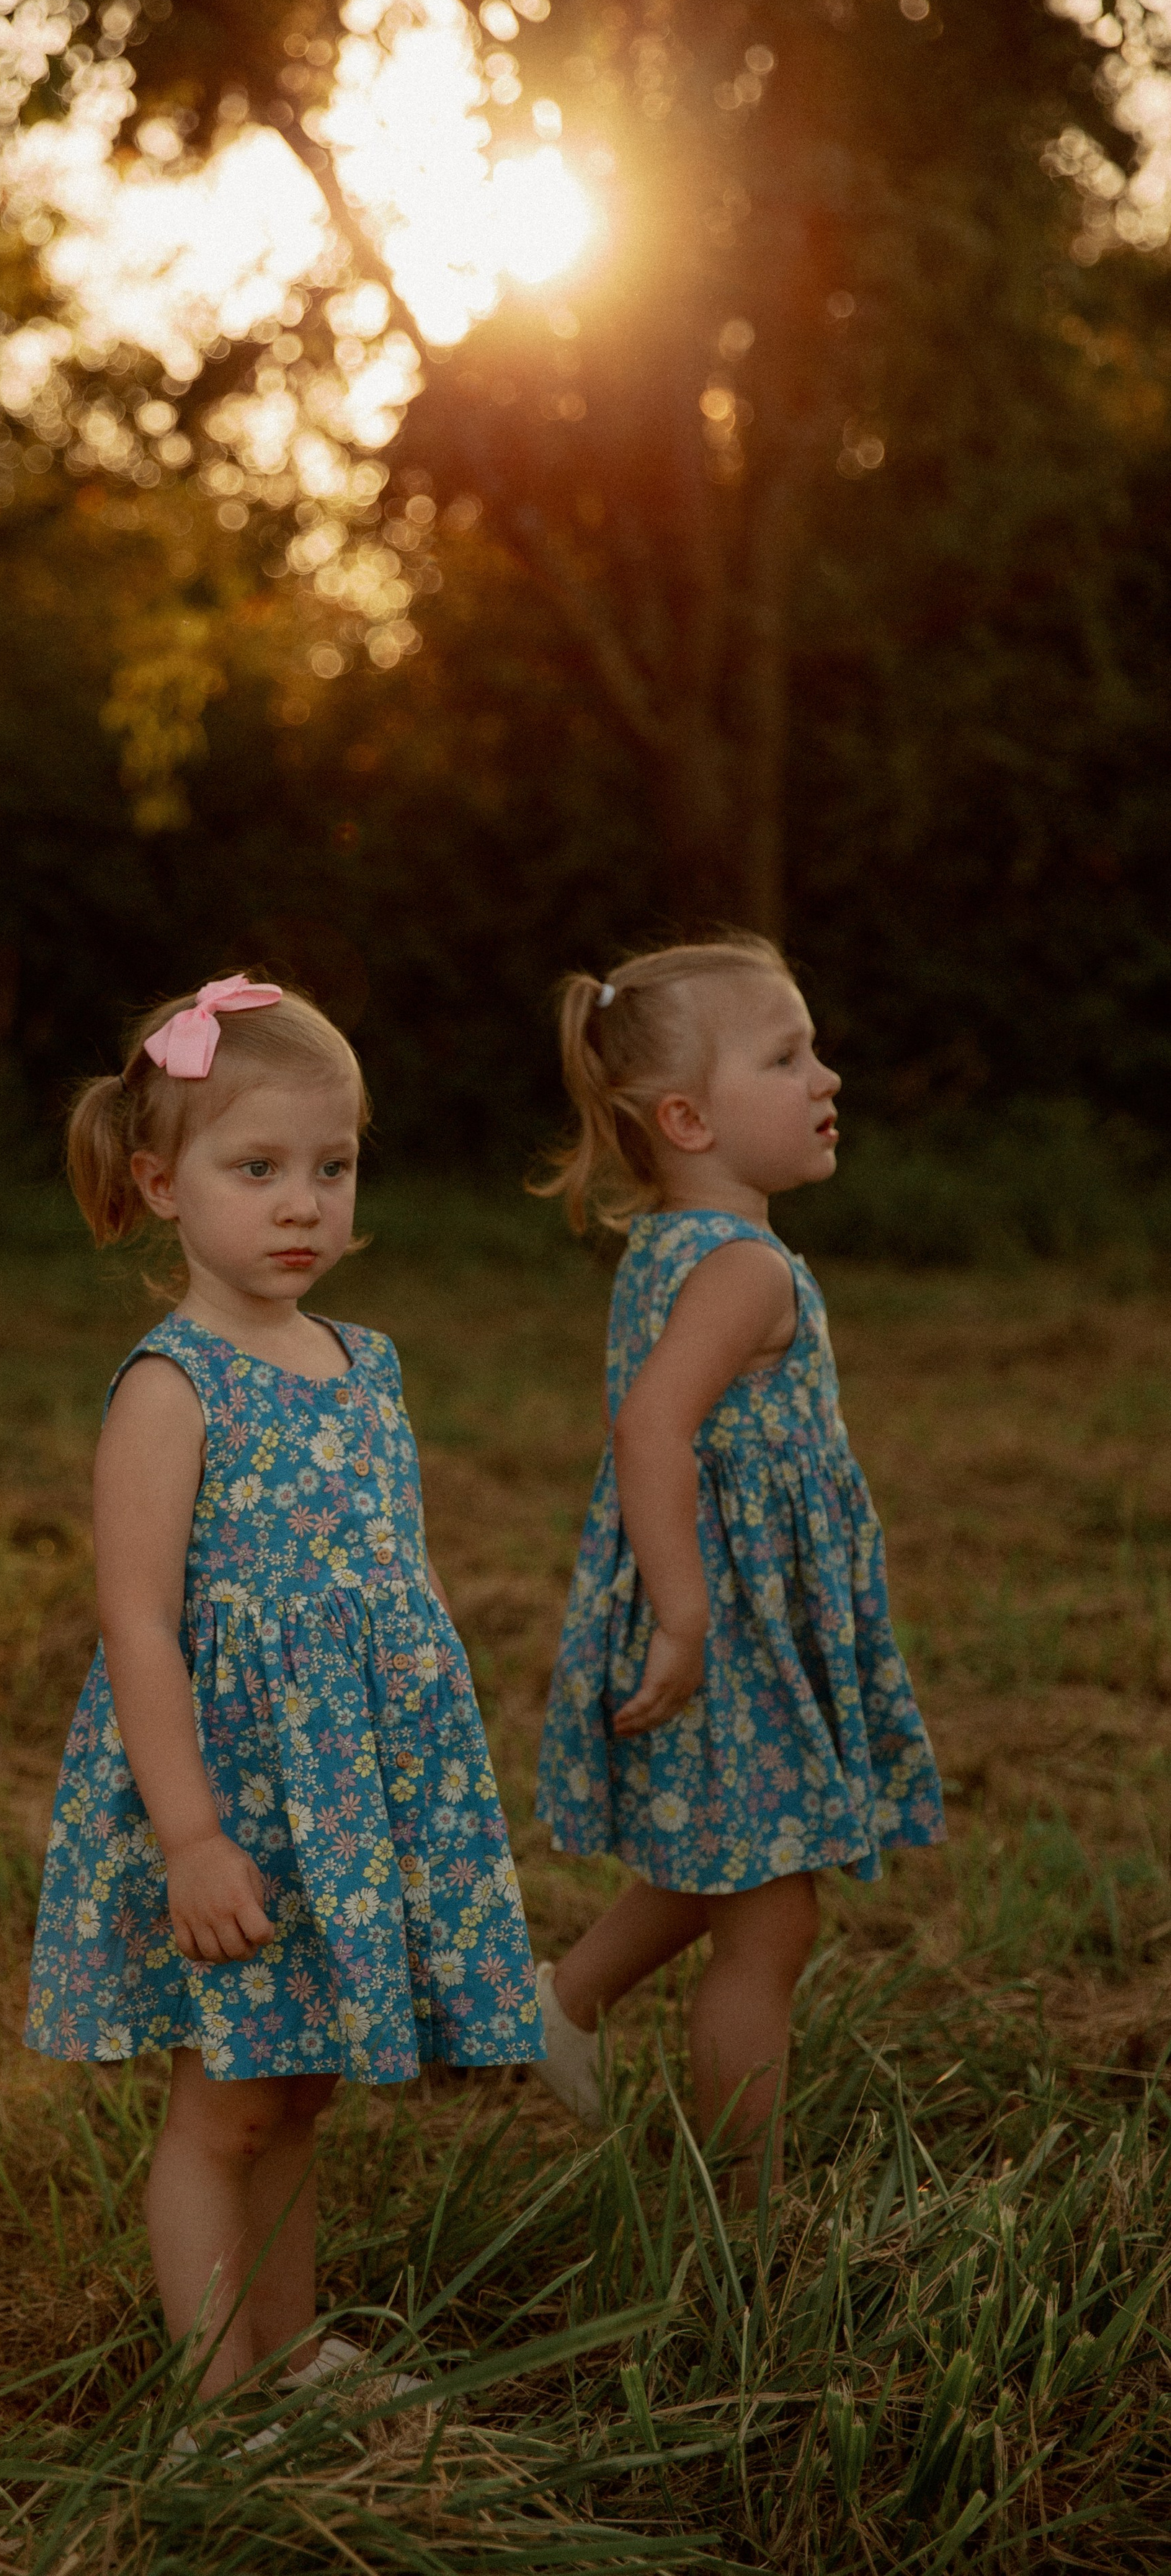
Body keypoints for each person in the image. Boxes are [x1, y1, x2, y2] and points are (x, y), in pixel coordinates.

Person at [26, 973, 542, 2416]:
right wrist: (190, 1836)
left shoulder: (362, 1367)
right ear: (159, 1184)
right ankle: (208, 2400)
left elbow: (383, 1601)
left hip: (346, 1797)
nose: (302, 1205)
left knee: (300, 2085)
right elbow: (136, 1627)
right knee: (223, 2102)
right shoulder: (169, 1388)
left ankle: (288, 2350)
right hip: (235, 1801)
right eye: (256, 1170)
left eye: (332, 1167)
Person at [530, 936, 945, 2203]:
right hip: (726, 1619)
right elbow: (652, 1426)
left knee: (726, 1862)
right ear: (689, 1116)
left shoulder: (674, 1246)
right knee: (773, 1920)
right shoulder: (746, 1266)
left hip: (727, 1606)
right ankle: (744, 2216)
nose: (826, 1076)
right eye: (788, 1055)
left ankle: (567, 1999)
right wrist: (688, 1615)